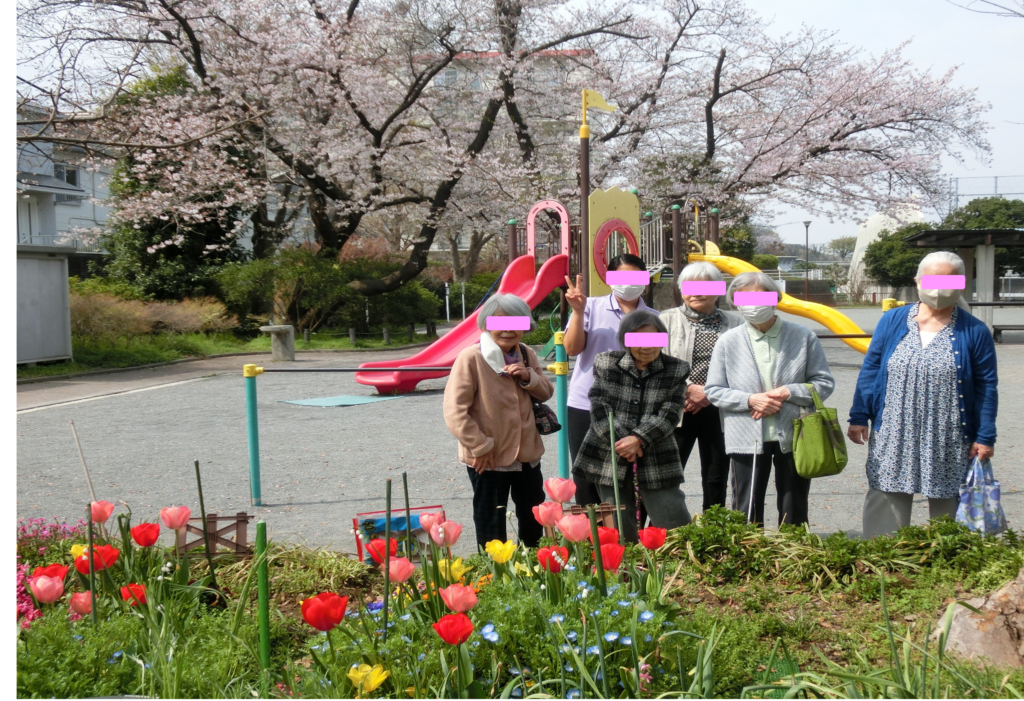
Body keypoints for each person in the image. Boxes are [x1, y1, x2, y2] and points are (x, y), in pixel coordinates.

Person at [848, 251, 998, 538]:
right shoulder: (892, 320)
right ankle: (883, 556)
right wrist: (859, 415)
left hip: (948, 434)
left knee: (948, 502)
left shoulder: (975, 331)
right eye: (932, 280)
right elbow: (872, 368)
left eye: (948, 281)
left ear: (962, 283)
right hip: (894, 429)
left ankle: (947, 558)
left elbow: (986, 386)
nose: (939, 288)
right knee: (887, 494)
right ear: (917, 281)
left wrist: (985, 436)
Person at [704, 272, 835, 527]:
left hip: (796, 433)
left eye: (760, 297)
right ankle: (750, 549)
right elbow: (714, 390)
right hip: (745, 433)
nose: (753, 304)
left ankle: (794, 547)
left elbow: (824, 383)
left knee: (794, 503)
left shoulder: (802, 336)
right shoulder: (728, 341)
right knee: (746, 506)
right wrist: (751, 400)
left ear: (775, 298)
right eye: (745, 298)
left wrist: (789, 392)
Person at [443, 293, 553, 548]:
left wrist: (528, 376)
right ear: (486, 324)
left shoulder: (526, 353)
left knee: (533, 518)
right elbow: (454, 410)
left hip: (527, 455)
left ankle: (534, 565)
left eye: (516, 323)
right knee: (491, 523)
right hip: (488, 457)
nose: (507, 330)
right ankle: (495, 570)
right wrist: (480, 445)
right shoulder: (472, 357)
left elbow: (546, 392)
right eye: (499, 323)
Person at [572, 310, 691, 543]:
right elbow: (599, 406)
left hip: (656, 452)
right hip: (609, 453)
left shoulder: (676, 368)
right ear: (625, 339)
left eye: (653, 338)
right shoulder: (607, 362)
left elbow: (671, 412)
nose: (646, 346)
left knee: (674, 523)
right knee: (619, 528)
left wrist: (639, 439)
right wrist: (623, 442)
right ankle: (624, 565)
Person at [563, 253, 657, 507]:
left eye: (636, 276)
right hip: (587, 405)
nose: (629, 282)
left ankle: (627, 531)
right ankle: (591, 530)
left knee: (630, 476)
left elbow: (652, 362)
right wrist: (577, 311)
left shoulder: (653, 317)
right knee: (586, 477)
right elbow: (572, 349)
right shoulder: (589, 306)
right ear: (609, 278)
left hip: (634, 407)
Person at [661, 262, 743, 512]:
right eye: (689, 286)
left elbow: (744, 365)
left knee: (716, 475)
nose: (696, 292)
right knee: (668, 474)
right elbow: (653, 360)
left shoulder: (737, 324)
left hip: (719, 408)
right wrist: (687, 389)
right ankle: (663, 527)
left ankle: (712, 525)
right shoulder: (664, 320)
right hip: (678, 407)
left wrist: (709, 393)